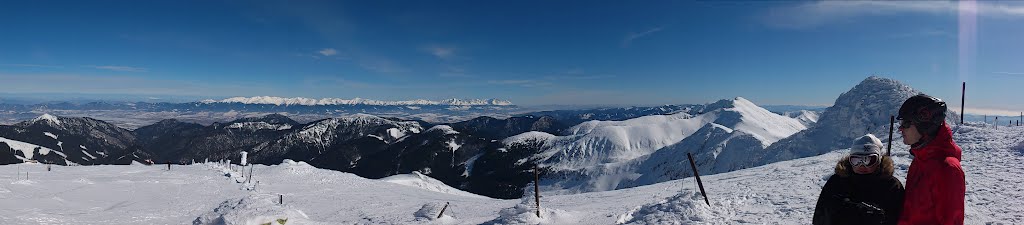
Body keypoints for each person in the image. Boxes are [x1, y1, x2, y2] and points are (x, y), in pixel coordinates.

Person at [896, 94, 965, 225]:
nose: (900, 128)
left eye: (905, 123)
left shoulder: (947, 169)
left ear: (924, 126)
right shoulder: (920, 160)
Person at [813, 134, 905, 225]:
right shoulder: (837, 182)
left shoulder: (891, 185)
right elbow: (820, 217)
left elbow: (902, 218)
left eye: (869, 160)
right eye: (856, 160)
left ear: (879, 161)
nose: (862, 165)